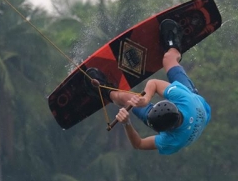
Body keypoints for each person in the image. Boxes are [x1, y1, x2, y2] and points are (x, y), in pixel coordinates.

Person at [86, 19, 211, 155]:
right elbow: (155, 83)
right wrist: (145, 100)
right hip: (197, 102)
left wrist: (126, 123)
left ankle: (104, 90)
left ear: (163, 131)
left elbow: (138, 144)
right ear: (172, 103)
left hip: (186, 122)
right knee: (168, 59)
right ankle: (173, 44)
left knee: (129, 100)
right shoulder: (184, 98)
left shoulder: (172, 141)